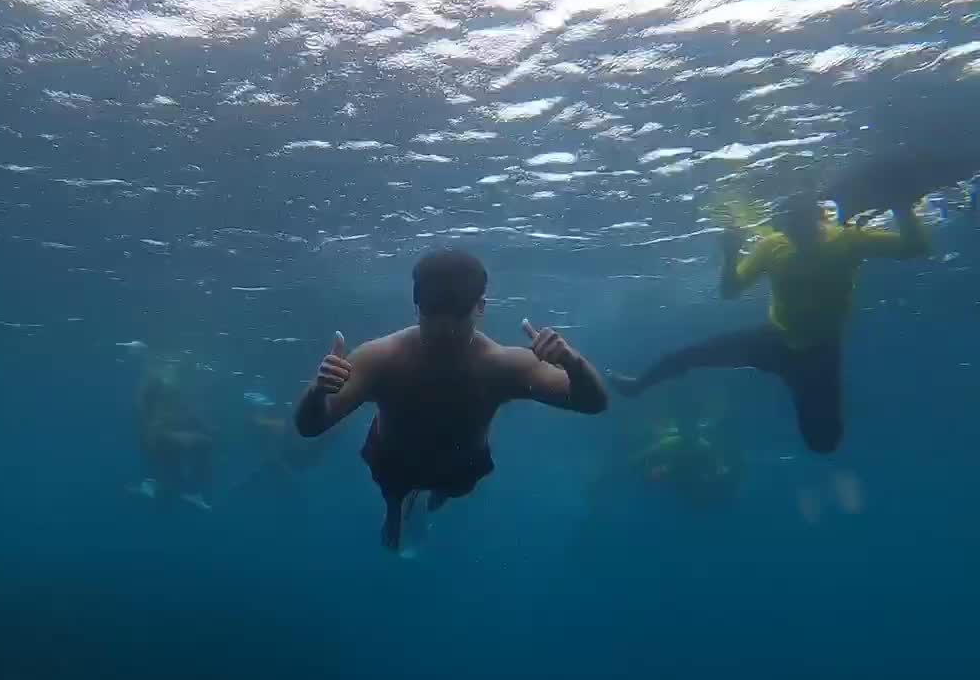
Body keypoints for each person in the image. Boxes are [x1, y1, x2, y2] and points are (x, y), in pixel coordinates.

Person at [293, 248, 609, 551]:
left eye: (457, 314)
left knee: (451, 489)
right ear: (416, 307)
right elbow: (311, 426)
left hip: (462, 466)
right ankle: (395, 511)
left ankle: (430, 498)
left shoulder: (502, 365)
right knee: (394, 490)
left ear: (480, 307)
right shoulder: (381, 359)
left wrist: (572, 362)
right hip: (394, 461)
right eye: (433, 313)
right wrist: (317, 390)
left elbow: (592, 403)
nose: (445, 328)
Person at [610, 193, 929, 454]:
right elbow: (731, 291)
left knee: (823, 442)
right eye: (788, 225)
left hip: (818, 355)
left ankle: (639, 385)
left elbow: (915, 248)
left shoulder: (848, 240)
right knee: (689, 355)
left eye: (798, 223)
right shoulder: (773, 245)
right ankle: (638, 386)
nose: (793, 231)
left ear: (817, 217)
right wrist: (731, 255)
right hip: (772, 341)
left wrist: (903, 207)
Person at [136, 362, 214, 509]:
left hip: (156, 440)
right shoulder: (161, 394)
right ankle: (192, 491)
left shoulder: (152, 398)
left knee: (170, 458)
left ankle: (153, 484)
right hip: (159, 437)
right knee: (205, 443)